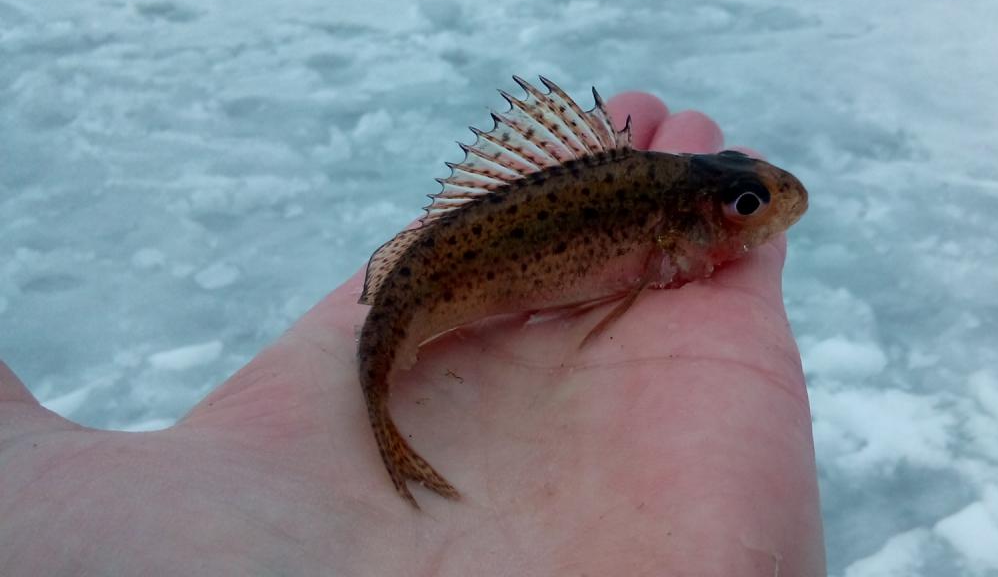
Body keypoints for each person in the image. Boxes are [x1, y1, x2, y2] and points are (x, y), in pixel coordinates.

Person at [0, 92, 826, 576]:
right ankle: (381, 417)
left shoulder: (652, 204)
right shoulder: (646, 211)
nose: (764, 217)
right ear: (675, 222)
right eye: (745, 208)